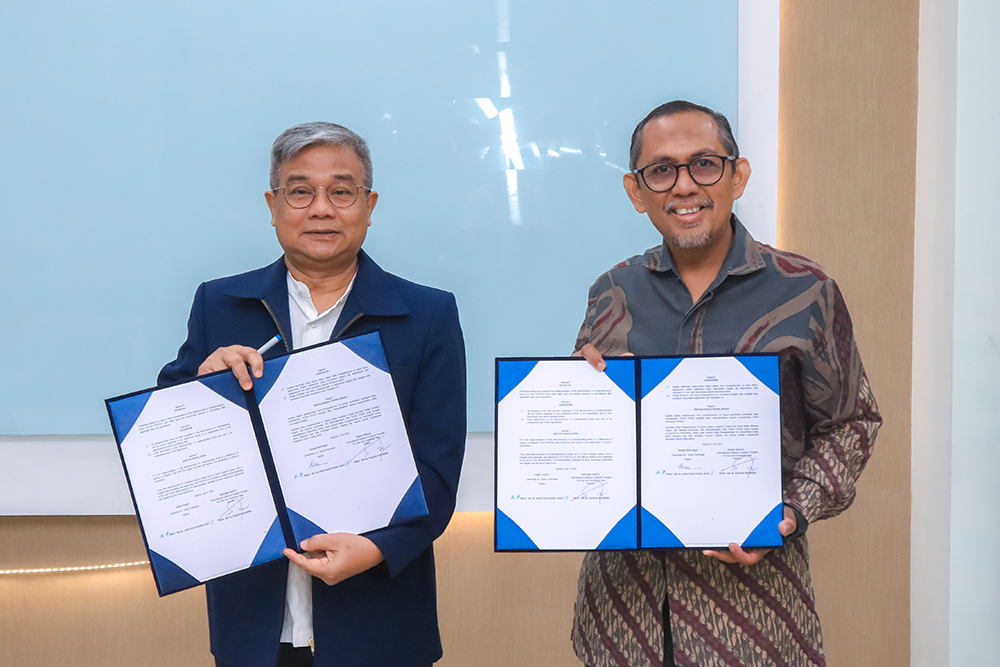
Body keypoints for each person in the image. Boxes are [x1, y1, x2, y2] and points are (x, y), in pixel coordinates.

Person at [570, 101, 881, 667]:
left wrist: (791, 511)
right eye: (661, 170)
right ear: (636, 191)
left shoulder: (804, 290)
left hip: (754, 622)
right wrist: (577, 395)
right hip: (622, 619)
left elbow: (851, 423)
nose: (684, 185)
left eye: (704, 164)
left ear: (737, 176)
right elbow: (592, 439)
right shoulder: (612, 291)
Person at [158, 122, 466, 667]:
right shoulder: (219, 305)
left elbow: (438, 471)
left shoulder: (427, 315)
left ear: (369, 205)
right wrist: (203, 386)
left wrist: (376, 549)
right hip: (252, 627)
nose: (321, 208)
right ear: (273, 205)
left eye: (341, 191)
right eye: (300, 191)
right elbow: (166, 443)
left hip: (380, 623)